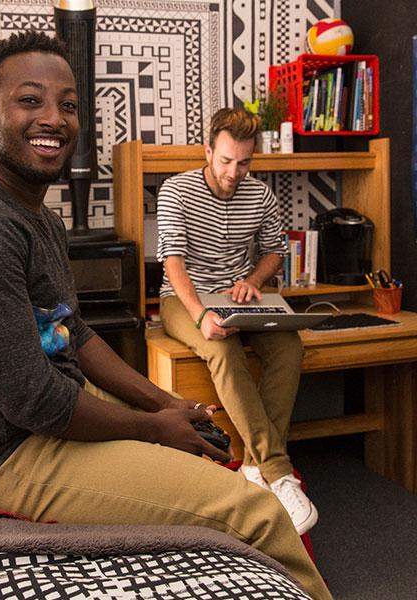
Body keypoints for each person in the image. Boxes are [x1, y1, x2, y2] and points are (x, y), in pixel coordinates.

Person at [0, 32, 332, 600]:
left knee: (200, 443)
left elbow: (73, 334)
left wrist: (165, 403)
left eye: (68, 104)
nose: (54, 118)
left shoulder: (38, 217)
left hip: (33, 422)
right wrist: (151, 425)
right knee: (254, 512)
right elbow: (35, 402)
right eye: (30, 100)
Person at [157, 107, 316, 535]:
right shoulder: (177, 190)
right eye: (226, 160)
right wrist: (201, 314)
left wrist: (253, 280)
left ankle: (251, 466)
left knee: (289, 346)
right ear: (208, 151)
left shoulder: (259, 194)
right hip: (182, 299)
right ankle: (280, 474)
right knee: (223, 349)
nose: (233, 171)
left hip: (239, 298)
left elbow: (274, 250)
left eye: (244, 162)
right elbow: (172, 261)